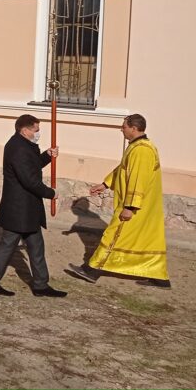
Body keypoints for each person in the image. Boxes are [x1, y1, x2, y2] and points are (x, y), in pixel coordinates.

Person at [67, 114, 171, 288]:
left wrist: (130, 207)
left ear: (134, 128)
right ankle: (159, 276)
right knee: (147, 239)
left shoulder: (142, 150)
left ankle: (92, 270)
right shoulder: (137, 147)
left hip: (136, 207)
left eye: (123, 126)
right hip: (143, 208)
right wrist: (106, 184)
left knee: (113, 235)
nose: (121, 129)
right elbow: (123, 169)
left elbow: (138, 179)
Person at [0, 114, 66, 298]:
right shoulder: (18, 148)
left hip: (26, 208)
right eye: (36, 130)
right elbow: (28, 179)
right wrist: (51, 193)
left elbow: (32, 166)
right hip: (19, 208)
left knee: (35, 246)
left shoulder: (23, 145)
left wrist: (47, 156)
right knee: (8, 246)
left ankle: (40, 284)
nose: (38, 134)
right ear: (25, 130)